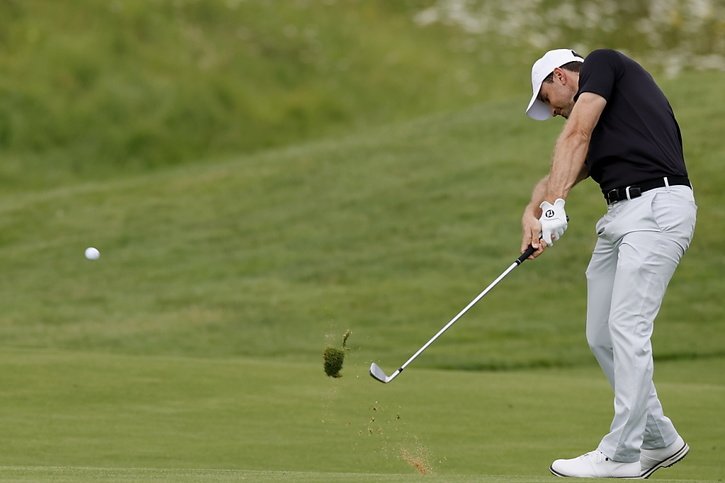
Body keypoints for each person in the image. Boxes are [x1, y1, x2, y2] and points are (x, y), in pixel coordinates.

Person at [520, 48, 696, 478]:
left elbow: (575, 133)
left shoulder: (602, 64)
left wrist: (556, 205)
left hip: (657, 207)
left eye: (547, 99)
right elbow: (562, 163)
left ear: (561, 76)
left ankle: (622, 452)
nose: (553, 111)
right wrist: (534, 210)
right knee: (601, 333)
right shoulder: (600, 129)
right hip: (620, 217)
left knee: (627, 326)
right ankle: (660, 440)